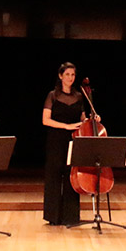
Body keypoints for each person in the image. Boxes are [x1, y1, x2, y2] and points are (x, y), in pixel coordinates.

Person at [41, 62, 88, 226]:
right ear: (61, 76)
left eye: (73, 75)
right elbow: (45, 120)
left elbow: (82, 118)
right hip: (56, 139)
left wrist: (92, 120)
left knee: (71, 176)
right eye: (67, 74)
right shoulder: (52, 96)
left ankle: (71, 216)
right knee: (54, 175)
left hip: (74, 139)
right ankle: (53, 217)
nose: (70, 78)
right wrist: (66, 126)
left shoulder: (79, 96)